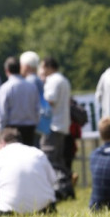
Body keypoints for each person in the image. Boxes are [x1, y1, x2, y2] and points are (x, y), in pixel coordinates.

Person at [0, 128, 57, 216]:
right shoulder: (38, 153)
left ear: (2, 142)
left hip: (9, 212)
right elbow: (52, 181)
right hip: (45, 209)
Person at [39, 56, 74, 199]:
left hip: (52, 125)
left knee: (50, 159)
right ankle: (67, 188)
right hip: (62, 124)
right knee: (58, 160)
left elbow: (49, 100)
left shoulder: (53, 81)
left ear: (47, 66)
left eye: (42, 67)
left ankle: (61, 189)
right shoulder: (63, 79)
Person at [0, 56, 40, 146]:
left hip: (11, 128)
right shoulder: (32, 86)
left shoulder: (5, 87)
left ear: (7, 70)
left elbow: (2, 111)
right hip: (30, 127)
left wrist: (0, 129)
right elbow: (37, 108)